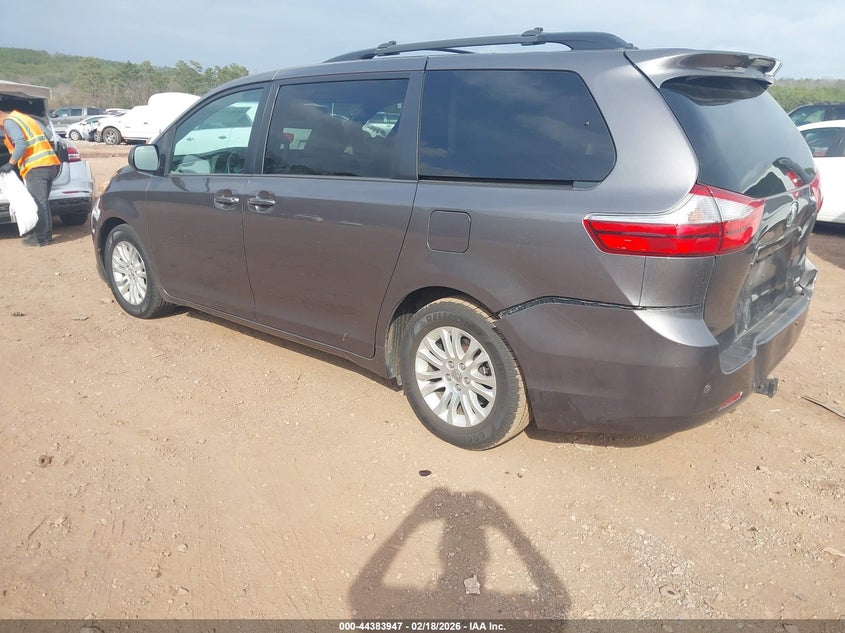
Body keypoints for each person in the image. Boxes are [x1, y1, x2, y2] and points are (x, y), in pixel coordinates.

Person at [0, 109, 61, 246]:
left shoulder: (10, 122)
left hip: (36, 166)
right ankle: (46, 235)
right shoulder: (22, 117)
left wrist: (10, 164)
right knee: (43, 202)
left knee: (38, 203)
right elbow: (46, 134)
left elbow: (21, 143)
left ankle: (41, 238)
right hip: (49, 164)